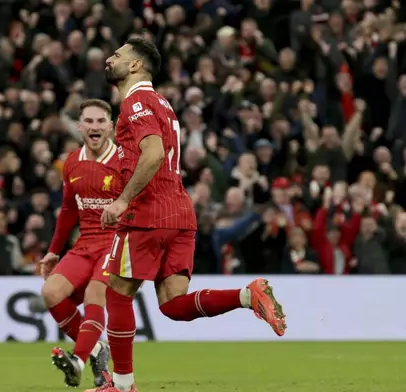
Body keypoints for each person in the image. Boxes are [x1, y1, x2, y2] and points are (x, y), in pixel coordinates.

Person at [85, 38, 287, 392]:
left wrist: (122, 201)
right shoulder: (162, 103)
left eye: (118, 55)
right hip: (179, 214)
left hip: (147, 214)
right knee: (173, 305)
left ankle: (121, 384)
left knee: (116, 293)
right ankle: (246, 294)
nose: (110, 58)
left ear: (136, 65)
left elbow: (153, 154)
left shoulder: (137, 102)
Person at [39, 99, 123, 387]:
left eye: (101, 121)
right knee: (50, 293)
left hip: (116, 243)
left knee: (94, 296)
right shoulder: (72, 161)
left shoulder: (125, 161)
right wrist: (53, 251)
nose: (95, 126)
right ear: (80, 126)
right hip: (85, 243)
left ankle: (78, 359)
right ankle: (97, 349)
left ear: (111, 126)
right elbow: (67, 211)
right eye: (89, 121)